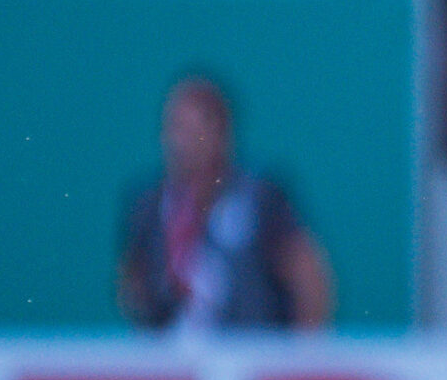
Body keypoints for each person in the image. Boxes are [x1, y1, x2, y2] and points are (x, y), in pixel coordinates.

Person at [118, 74, 334, 331]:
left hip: (251, 357)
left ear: (221, 132)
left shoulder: (261, 197)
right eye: (175, 128)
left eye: (194, 131)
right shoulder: (148, 205)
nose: (181, 143)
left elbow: (310, 282)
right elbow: (131, 283)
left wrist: (298, 356)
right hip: (176, 360)